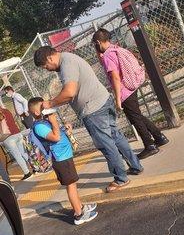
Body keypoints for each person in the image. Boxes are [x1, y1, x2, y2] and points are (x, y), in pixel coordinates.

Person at [33, 46, 143, 193]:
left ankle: (121, 178)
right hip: (102, 101)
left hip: (93, 110)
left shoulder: (67, 64)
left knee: (106, 144)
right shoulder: (69, 59)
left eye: (45, 66)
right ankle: (135, 165)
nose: (47, 69)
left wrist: (51, 103)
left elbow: (69, 92)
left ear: (49, 58)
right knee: (116, 136)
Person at [92, 28, 169, 160]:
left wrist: (117, 99)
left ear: (98, 42)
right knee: (137, 115)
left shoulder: (108, 56)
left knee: (135, 118)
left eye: (94, 44)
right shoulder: (115, 49)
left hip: (124, 91)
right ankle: (159, 137)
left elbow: (115, 78)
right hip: (131, 86)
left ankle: (149, 145)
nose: (95, 47)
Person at [28, 97, 98, 225]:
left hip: (64, 156)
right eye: (43, 107)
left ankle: (80, 206)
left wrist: (66, 130)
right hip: (60, 159)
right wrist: (53, 120)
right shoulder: (39, 127)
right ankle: (79, 214)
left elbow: (57, 134)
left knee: (73, 184)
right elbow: (55, 137)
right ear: (37, 112)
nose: (47, 108)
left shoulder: (44, 122)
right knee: (71, 186)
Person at [0, 107, 32, 180]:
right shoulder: (6, 110)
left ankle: (27, 173)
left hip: (8, 138)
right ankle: (34, 167)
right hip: (18, 134)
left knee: (18, 156)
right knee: (23, 152)